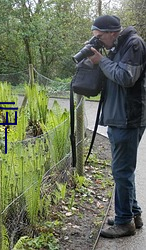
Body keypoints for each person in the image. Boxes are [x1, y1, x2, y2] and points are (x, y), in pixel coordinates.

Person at [88, 15, 146, 238]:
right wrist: (98, 60)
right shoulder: (117, 46)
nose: (99, 41)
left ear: (112, 32)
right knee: (123, 171)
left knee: (121, 171)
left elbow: (125, 77)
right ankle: (133, 214)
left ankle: (124, 223)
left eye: (100, 37)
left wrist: (101, 61)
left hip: (128, 118)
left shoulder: (134, 44)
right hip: (118, 117)